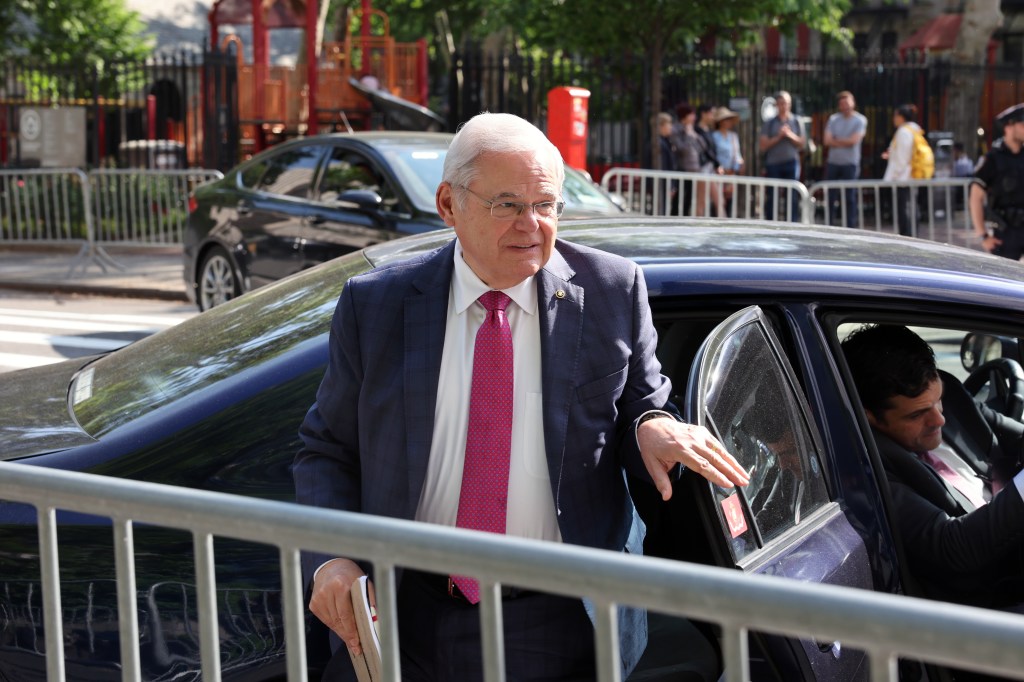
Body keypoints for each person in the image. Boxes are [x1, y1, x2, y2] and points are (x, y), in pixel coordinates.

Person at [293, 112, 750, 682]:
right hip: (405, 610)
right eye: (507, 204)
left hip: (562, 617)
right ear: (448, 205)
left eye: (547, 204)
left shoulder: (611, 290)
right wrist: (330, 559)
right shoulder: (378, 305)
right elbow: (326, 450)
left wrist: (652, 426)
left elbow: (642, 403)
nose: (531, 225)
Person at [841, 324, 1024, 614]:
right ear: (870, 417)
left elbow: (1013, 436)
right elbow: (953, 547)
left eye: (938, 400)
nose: (939, 419)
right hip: (989, 606)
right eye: (917, 415)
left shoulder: (946, 398)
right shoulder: (863, 467)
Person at [970, 103, 1024, 259]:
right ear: (1009, 127)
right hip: (1006, 233)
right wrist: (983, 236)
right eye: (1022, 124)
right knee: (1005, 279)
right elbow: (975, 197)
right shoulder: (993, 158)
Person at [823, 91, 867, 228]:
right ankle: (828, 224)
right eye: (842, 103)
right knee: (831, 196)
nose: (845, 106)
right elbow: (827, 140)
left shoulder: (860, 120)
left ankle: (850, 226)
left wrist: (836, 141)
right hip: (833, 163)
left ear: (853, 103)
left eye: (847, 102)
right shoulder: (833, 119)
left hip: (850, 163)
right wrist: (845, 141)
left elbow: (854, 141)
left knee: (850, 197)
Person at [759, 90, 805, 221]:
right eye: (780, 103)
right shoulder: (770, 123)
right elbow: (763, 145)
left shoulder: (796, 121)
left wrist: (789, 135)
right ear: (776, 105)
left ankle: (792, 223)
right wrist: (779, 137)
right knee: (772, 196)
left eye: (786, 103)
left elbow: (802, 143)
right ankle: (771, 223)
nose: (783, 106)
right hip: (773, 164)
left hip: (791, 162)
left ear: (790, 104)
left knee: (792, 196)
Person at [882, 103, 923, 237]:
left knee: (905, 207)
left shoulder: (904, 131)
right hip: (911, 175)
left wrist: (896, 173)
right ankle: (911, 234)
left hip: (904, 177)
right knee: (911, 205)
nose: (893, 118)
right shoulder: (913, 130)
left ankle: (908, 235)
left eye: (895, 115)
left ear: (901, 117)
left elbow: (902, 157)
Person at [712, 106, 744, 217]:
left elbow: (737, 154)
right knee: (717, 201)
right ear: (720, 122)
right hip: (718, 173)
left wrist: (736, 166)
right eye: (726, 119)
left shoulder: (733, 137)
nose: (728, 122)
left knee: (729, 200)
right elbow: (713, 154)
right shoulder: (714, 136)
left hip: (730, 173)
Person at [671, 103, 702, 216]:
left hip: (694, 169)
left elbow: (702, 147)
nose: (694, 117)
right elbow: (681, 149)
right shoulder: (676, 130)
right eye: (692, 115)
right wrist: (688, 135)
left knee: (689, 197)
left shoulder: (692, 129)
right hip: (682, 168)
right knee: (679, 196)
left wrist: (693, 134)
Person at [655, 111, 678, 214]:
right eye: (669, 124)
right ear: (661, 126)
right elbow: (664, 166)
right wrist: (670, 186)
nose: (671, 127)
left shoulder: (666, 141)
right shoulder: (660, 143)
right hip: (663, 185)